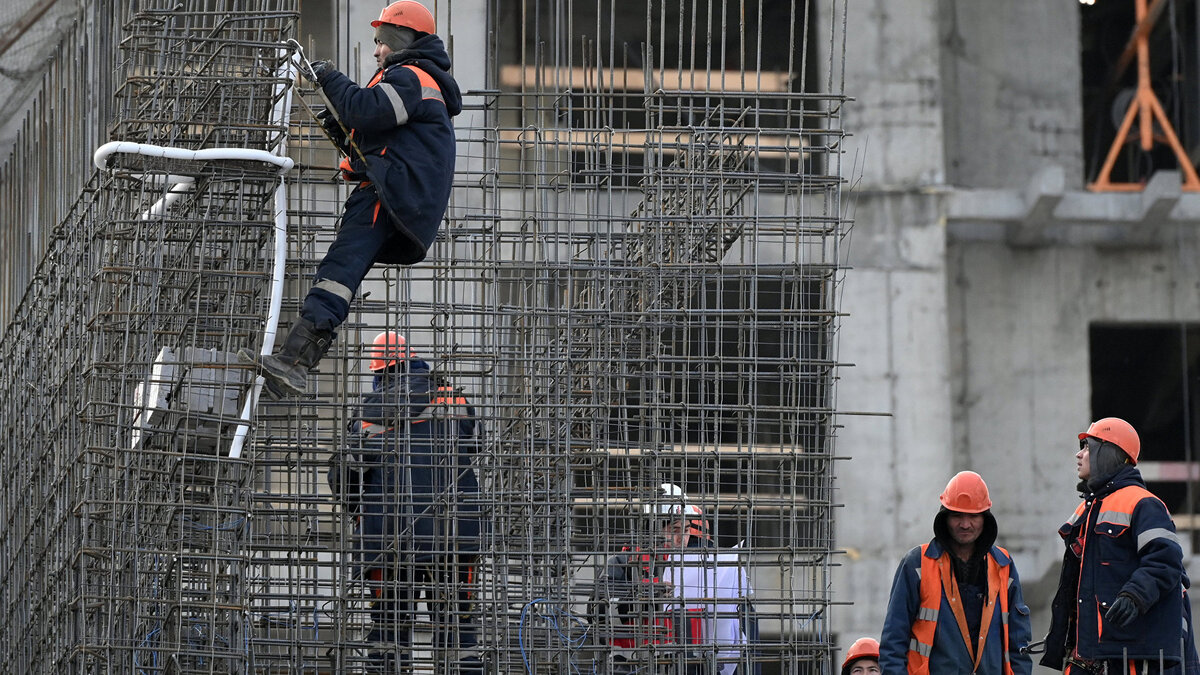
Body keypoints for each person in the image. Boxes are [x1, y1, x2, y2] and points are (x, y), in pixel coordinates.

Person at [241, 0, 462, 397]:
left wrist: (328, 76)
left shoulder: (410, 76)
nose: (376, 50)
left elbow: (366, 110)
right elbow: (378, 140)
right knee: (340, 273)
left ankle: (294, 363)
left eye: (381, 41)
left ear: (401, 39)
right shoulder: (417, 82)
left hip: (388, 194)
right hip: (396, 195)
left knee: (339, 271)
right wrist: (346, 136)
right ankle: (294, 363)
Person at [328, 331, 484, 673]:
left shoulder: (367, 415)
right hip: (455, 535)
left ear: (378, 372)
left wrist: (360, 511)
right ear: (415, 360)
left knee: (389, 632)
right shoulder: (455, 400)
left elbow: (345, 480)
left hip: (389, 538)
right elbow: (473, 449)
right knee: (458, 630)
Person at [1041, 417, 1200, 675]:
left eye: (1088, 447)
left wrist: (1134, 595)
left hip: (1132, 655)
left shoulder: (1144, 504)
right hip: (1092, 656)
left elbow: (1166, 560)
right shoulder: (1086, 511)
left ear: (1109, 453)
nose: (1079, 455)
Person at [879, 471, 1032, 675]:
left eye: (973, 516)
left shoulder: (1003, 565)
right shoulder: (917, 564)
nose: (965, 524)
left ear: (985, 518)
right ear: (944, 517)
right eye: (957, 515)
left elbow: (1018, 644)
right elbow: (893, 643)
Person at [593, 483, 755, 674]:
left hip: (689, 666)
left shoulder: (705, 568)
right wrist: (644, 595)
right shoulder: (624, 563)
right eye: (675, 530)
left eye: (686, 530)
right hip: (632, 666)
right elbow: (596, 611)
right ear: (652, 528)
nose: (682, 539)